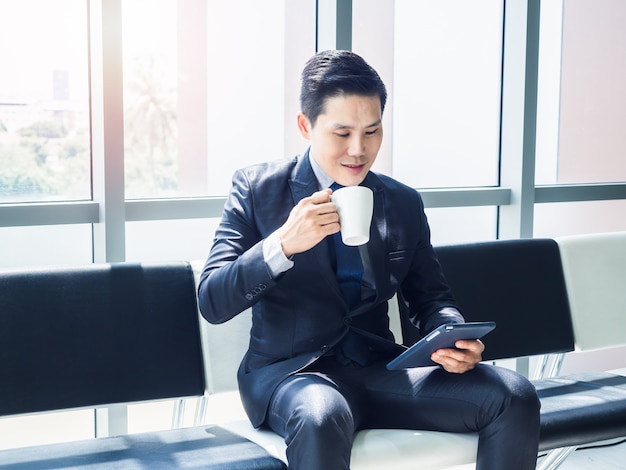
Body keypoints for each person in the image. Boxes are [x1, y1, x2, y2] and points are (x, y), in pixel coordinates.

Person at [197, 49, 540, 470]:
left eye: (373, 131)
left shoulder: (401, 201)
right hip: (294, 377)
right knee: (321, 416)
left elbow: (430, 297)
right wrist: (282, 244)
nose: (358, 150)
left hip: (382, 370)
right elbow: (212, 301)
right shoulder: (256, 189)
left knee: (513, 395)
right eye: (342, 134)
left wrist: (451, 335)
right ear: (306, 125)